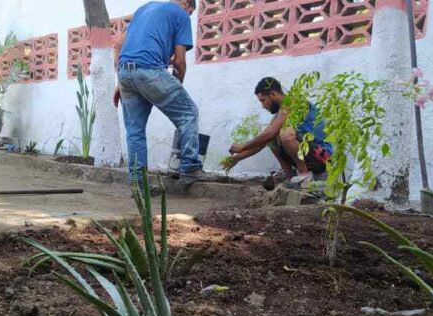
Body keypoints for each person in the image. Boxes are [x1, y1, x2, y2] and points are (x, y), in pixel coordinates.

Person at [113, 0, 203, 187]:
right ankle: (190, 168)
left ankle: (139, 184)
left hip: (125, 72)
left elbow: (120, 43)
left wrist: (120, 82)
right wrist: (178, 87)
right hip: (149, 72)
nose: (189, 15)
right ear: (187, 4)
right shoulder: (181, 15)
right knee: (188, 113)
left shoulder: (144, 9)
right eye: (190, 12)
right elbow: (179, 62)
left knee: (135, 131)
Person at [225, 77, 333, 191]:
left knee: (284, 133)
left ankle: (304, 173)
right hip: (309, 154)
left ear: (272, 94)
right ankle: (290, 177)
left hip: (322, 156)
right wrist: (237, 158)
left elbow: (270, 133)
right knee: (270, 139)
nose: (263, 106)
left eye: (263, 100)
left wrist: (243, 146)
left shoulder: (293, 103)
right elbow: (262, 142)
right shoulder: (280, 115)